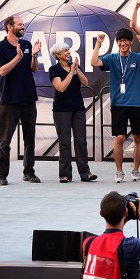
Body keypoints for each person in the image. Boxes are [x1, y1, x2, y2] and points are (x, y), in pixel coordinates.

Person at [91, 29, 140, 183]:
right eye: (120, 41)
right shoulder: (112, 58)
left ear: (131, 42)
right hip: (118, 103)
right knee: (119, 137)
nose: (123, 43)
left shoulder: (138, 57)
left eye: (126, 40)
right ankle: (119, 171)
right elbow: (94, 62)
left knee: (137, 137)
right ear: (117, 42)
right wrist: (98, 44)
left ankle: (135, 170)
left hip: (136, 103)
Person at [0, 15, 41, 186]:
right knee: (4, 141)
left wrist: (35, 56)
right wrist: (17, 58)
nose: (23, 26)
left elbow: (33, 69)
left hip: (28, 97)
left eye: (23, 24)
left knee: (29, 138)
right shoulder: (0, 47)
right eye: (19, 24)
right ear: (10, 27)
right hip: (10, 99)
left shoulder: (26, 45)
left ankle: (29, 172)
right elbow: (2, 71)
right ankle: (1, 175)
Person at [48, 43, 97, 183]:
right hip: (62, 109)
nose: (68, 52)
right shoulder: (54, 69)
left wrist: (77, 70)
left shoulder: (75, 67)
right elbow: (61, 87)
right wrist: (71, 72)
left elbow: (85, 82)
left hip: (78, 108)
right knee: (64, 142)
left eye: (68, 50)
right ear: (58, 55)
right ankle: (65, 174)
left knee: (81, 141)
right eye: (65, 51)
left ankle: (85, 173)